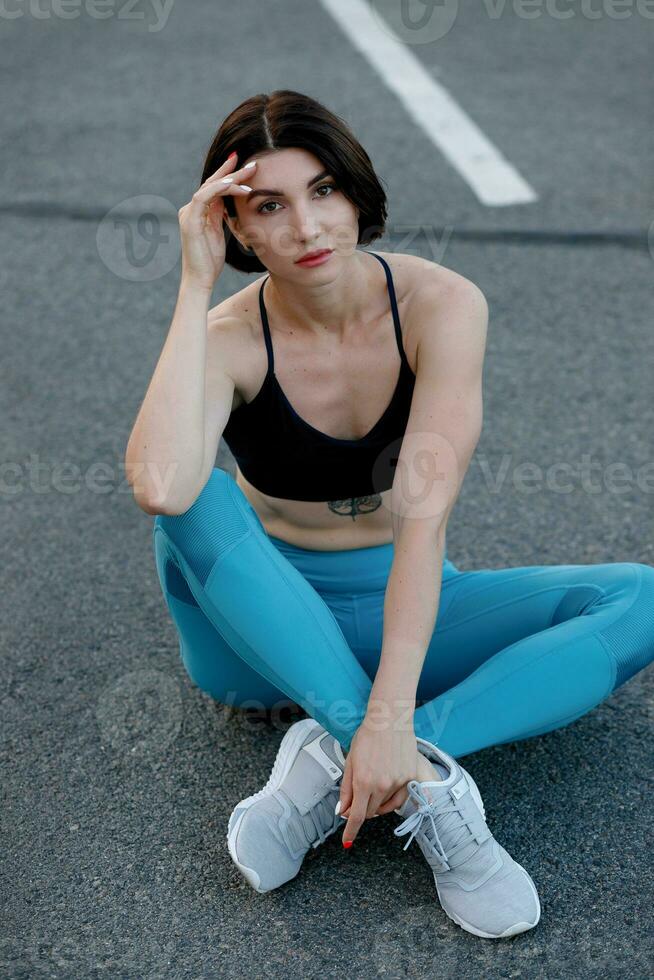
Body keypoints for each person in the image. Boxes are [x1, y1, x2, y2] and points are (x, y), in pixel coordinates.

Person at [125, 90, 654, 938]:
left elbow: (424, 518)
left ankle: (363, 761)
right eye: (270, 206)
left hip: (404, 608)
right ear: (237, 229)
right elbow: (157, 484)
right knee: (191, 499)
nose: (307, 227)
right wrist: (192, 282)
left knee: (641, 598)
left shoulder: (443, 307)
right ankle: (403, 769)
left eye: (325, 190)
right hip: (254, 642)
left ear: (357, 193)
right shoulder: (227, 335)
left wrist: (390, 717)